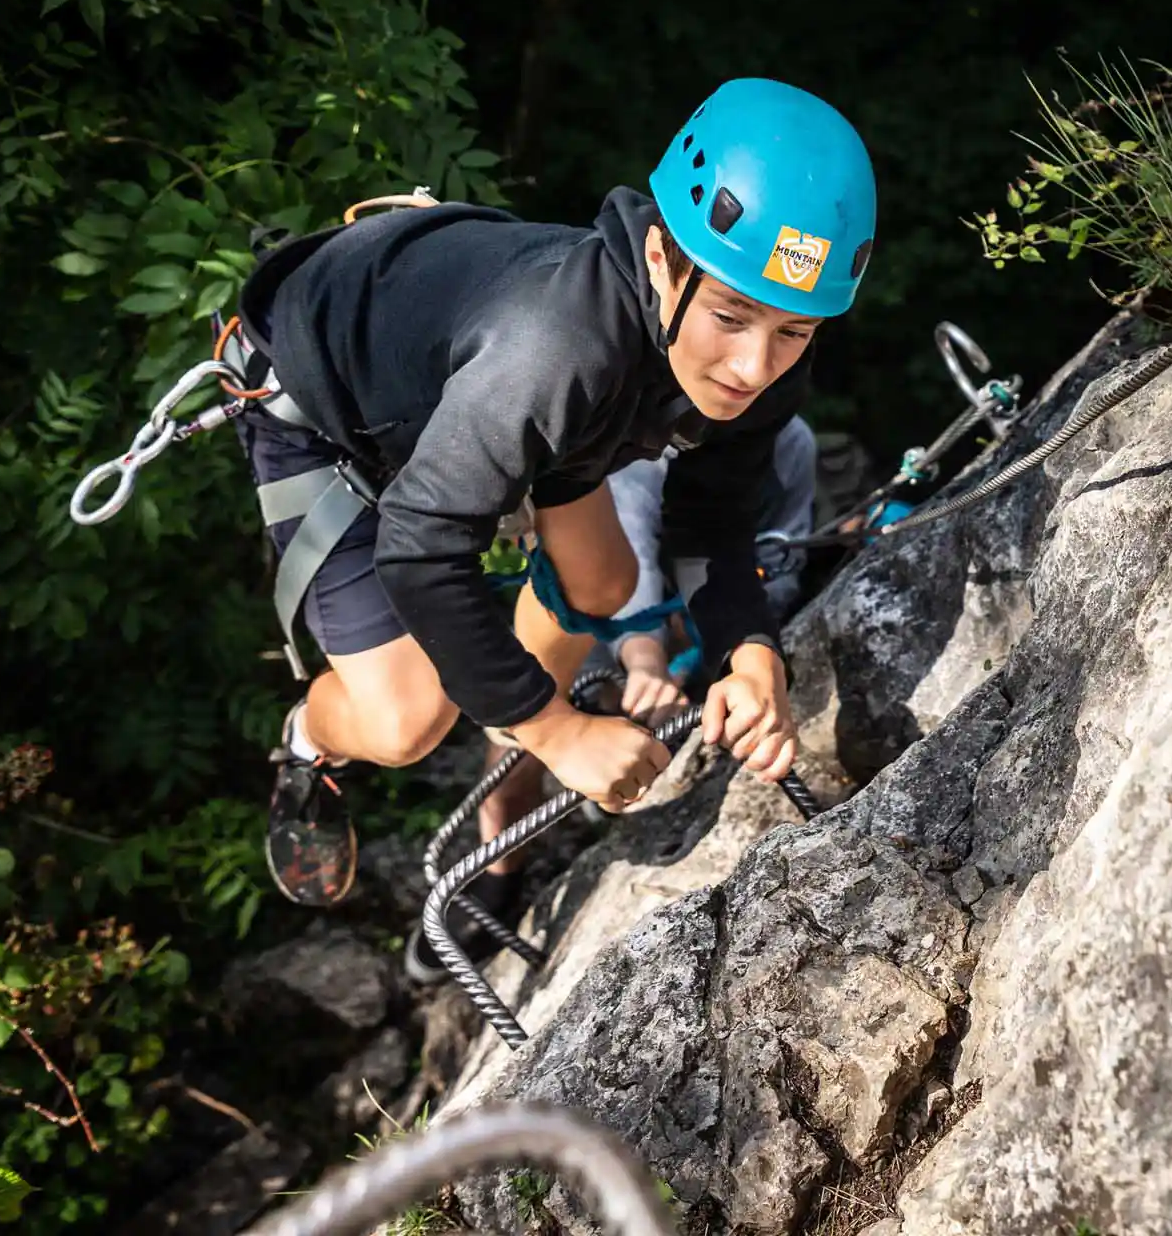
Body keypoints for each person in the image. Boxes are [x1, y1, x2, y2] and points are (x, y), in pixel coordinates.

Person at [226, 77, 877, 915]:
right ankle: (308, 744)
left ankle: (507, 703)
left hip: (520, 402)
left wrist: (747, 653)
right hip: (319, 398)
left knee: (603, 580)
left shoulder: (751, 357)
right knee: (406, 724)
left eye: (794, 331)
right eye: (732, 316)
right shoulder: (555, 352)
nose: (753, 368)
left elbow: (712, 519)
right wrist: (554, 730)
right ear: (658, 261)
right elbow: (420, 550)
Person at [588, 413, 820, 722]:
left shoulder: (791, 440)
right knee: (548, 710)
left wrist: (745, 652)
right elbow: (629, 548)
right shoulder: (646, 431)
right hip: (612, 611)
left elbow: (784, 563)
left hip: (721, 617)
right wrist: (646, 664)